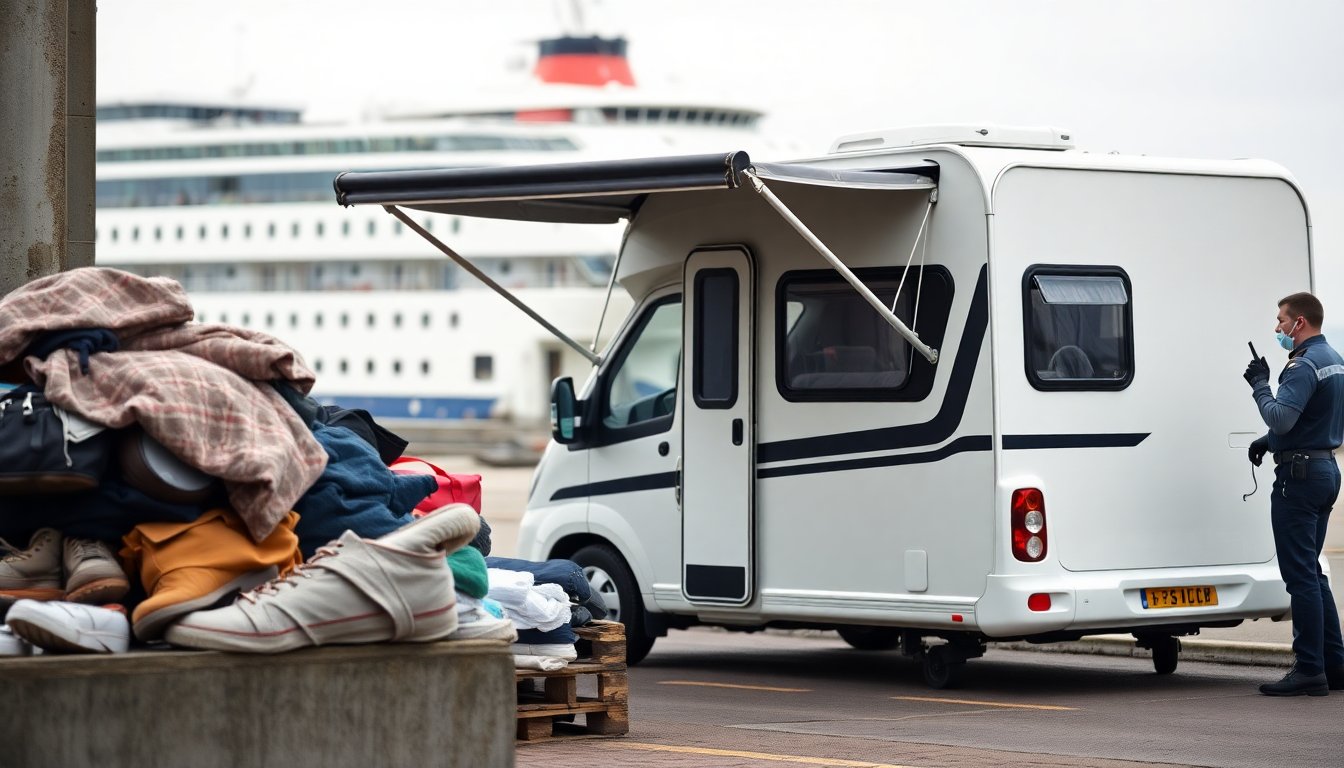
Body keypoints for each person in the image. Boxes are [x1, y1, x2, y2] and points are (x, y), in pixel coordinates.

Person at [1244, 291, 1344, 696]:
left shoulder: (1301, 366)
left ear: (1299, 322)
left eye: (1281, 320)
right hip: (1325, 469)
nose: (1277, 328)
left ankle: (1308, 669)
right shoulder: (1334, 360)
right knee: (1313, 572)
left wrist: (1260, 386)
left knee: (1300, 575)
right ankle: (1334, 665)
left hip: (1298, 479)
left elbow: (1282, 418)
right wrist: (1268, 442)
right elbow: (1312, 419)